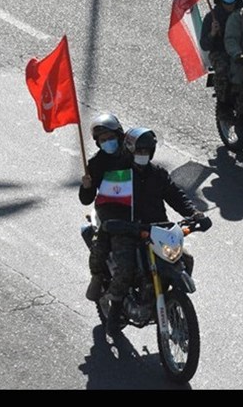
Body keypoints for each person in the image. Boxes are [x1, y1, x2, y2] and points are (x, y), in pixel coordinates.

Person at [103, 127, 209, 337]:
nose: (142, 155)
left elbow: (176, 196)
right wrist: (120, 224)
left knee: (185, 260)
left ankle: (171, 302)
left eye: (146, 151)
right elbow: (106, 207)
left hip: (157, 231)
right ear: (130, 151)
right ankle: (114, 312)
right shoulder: (119, 176)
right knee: (125, 269)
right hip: (128, 231)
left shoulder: (158, 174)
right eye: (139, 151)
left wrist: (195, 214)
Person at [79, 112, 132, 302]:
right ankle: (100, 281)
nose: (108, 142)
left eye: (110, 137)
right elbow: (86, 199)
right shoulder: (96, 163)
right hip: (110, 215)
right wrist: (86, 186)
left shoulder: (132, 155)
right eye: (103, 140)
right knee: (108, 252)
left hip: (137, 210)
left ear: (119, 135)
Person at [200, 0, 243, 121]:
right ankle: (223, 106)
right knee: (224, 70)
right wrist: (212, 33)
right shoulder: (212, 17)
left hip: (242, 49)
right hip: (221, 52)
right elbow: (204, 44)